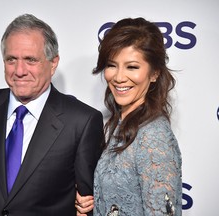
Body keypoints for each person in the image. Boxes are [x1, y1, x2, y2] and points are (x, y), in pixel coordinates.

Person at [0, 13, 104, 216]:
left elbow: (87, 203)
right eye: (11, 59)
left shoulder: (82, 121)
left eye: (31, 60)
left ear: (53, 63)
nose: (19, 70)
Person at [76, 17, 182, 216]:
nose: (118, 77)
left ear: (154, 73)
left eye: (132, 67)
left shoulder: (154, 137)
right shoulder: (122, 124)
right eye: (111, 65)